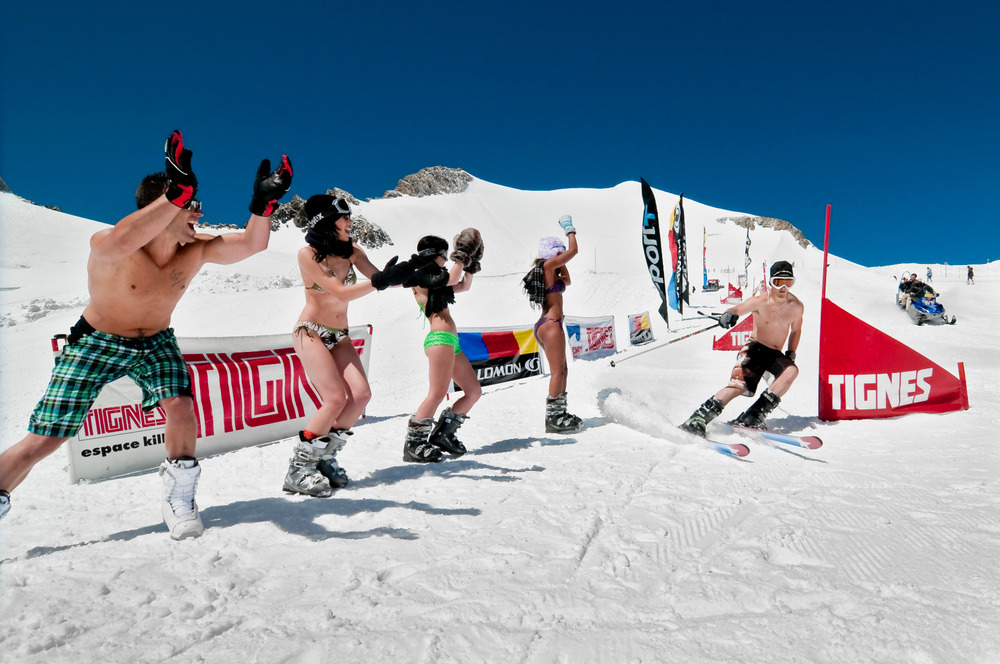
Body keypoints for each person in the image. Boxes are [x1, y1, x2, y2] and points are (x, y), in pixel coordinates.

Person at [0, 131, 293, 539]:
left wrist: (262, 205)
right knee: (45, 439)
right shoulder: (113, 245)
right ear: (164, 205)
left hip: (156, 341)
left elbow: (252, 245)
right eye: (192, 205)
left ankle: (180, 497)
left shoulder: (197, 249)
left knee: (181, 408)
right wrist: (174, 196)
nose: (199, 214)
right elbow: (117, 240)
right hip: (96, 341)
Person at [283, 194, 421, 496]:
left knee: (360, 396)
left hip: (339, 334)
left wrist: (414, 273)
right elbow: (340, 291)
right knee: (334, 399)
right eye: (343, 217)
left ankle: (324, 458)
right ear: (326, 222)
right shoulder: (307, 254)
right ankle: (299, 468)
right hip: (311, 332)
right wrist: (381, 281)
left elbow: (380, 277)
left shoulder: (353, 250)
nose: (350, 221)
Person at [680, 260, 803, 436]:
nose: (783, 287)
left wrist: (791, 352)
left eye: (788, 282)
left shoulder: (797, 307)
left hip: (774, 353)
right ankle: (698, 418)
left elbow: (796, 330)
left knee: (791, 371)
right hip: (755, 349)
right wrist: (730, 314)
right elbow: (738, 308)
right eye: (778, 282)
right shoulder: (760, 302)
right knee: (739, 386)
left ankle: (753, 416)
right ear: (771, 282)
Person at [403, 231, 484, 463]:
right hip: (439, 340)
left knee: (474, 391)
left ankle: (443, 433)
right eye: (445, 256)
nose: (447, 260)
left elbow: (463, 285)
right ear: (435, 255)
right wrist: (462, 257)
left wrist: (471, 262)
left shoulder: (438, 280)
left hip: (451, 343)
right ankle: (414, 443)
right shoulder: (420, 277)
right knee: (437, 393)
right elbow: (450, 278)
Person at [522, 215, 582, 433]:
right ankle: (554, 418)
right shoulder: (547, 266)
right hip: (551, 324)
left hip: (549, 323)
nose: (562, 255)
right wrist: (570, 230)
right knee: (558, 372)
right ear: (551, 253)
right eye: (558, 252)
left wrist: (561, 260)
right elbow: (573, 252)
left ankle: (560, 413)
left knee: (563, 370)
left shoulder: (551, 272)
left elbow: (567, 281)